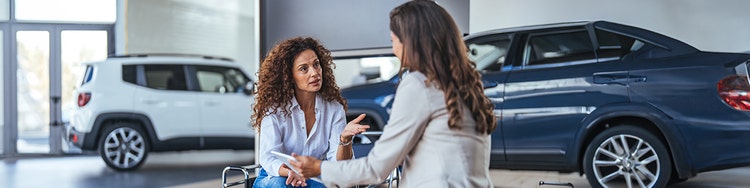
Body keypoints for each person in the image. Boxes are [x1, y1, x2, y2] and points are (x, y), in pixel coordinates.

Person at [289, 0, 497, 187]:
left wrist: (319, 168)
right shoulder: (466, 84)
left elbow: (377, 168)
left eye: (393, 40)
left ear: (411, 42)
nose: (394, 49)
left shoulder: (419, 84)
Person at [252, 37, 370, 187]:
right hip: (279, 175)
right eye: (304, 69)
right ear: (289, 76)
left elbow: (339, 166)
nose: (314, 73)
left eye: (316, 65)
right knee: (279, 184)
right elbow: (268, 158)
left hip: (315, 177)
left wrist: (345, 139)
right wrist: (290, 172)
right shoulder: (275, 110)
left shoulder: (334, 108)